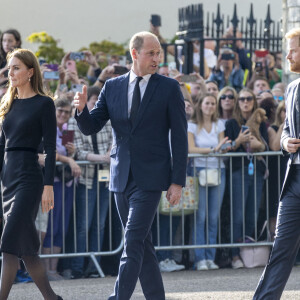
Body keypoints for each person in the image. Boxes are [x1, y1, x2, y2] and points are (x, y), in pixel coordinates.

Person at [74, 31, 187, 300]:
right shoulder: (112, 87)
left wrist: (177, 181)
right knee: (143, 246)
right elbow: (91, 126)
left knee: (133, 242)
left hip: (151, 178)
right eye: (151, 53)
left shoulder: (169, 88)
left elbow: (180, 137)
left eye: (159, 53)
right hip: (121, 177)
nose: (157, 58)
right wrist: (80, 111)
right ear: (135, 54)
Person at [0, 48, 62, 299]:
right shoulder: (7, 103)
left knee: (8, 245)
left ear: (30, 72)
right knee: (26, 251)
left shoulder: (44, 103)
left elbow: (50, 147)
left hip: (29, 178)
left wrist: (49, 186)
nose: (10, 72)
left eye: (16, 68)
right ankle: (52, 298)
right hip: (8, 178)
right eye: (9, 67)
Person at [253, 27, 300, 300]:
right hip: (293, 180)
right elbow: (286, 129)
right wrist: (284, 143)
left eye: (293, 50)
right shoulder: (292, 88)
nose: (288, 56)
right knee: (280, 250)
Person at [71, 86, 112, 279]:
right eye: (92, 100)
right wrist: (101, 158)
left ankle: (94, 267)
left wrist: (108, 156)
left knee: (100, 225)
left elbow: (114, 141)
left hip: (104, 178)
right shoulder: (76, 121)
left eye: (97, 101)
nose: (95, 103)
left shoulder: (108, 120)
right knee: (83, 225)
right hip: (86, 178)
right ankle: (78, 266)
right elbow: (77, 151)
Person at [225, 88, 268, 270]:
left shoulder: (261, 122)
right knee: (238, 215)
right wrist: (239, 141)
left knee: (252, 215)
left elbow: (266, 146)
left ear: (254, 101)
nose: (245, 102)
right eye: (241, 99)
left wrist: (259, 145)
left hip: (256, 171)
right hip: (238, 170)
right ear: (237, 102)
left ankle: (246, 253)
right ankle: (234, 255)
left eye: (249, 98)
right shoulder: (231, 123)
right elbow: (227, 147)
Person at [188, 93, 230, 271]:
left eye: (213, 103)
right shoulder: (192, 125)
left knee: (213, 217)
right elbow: (191, 148)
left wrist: (219, 150)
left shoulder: (219, 124)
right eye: (207, 103)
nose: (210, 106)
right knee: (201, 217)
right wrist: (213, 149)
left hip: (218, 170)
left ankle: (210, 257)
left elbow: (223, 147)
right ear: (201, 105)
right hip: (199, 171)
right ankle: (199, 258)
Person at [42, 99, 81, 281]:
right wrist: (70, 159)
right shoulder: (47, 127)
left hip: (66, 183)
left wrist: (71, 153)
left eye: (67, 112)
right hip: (52, 183)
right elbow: (50, 152)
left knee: (61, 227)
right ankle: (45, 270)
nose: (63, 115)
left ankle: (53, 269)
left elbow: (65, 153)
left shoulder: (66, 130)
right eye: (60, 111)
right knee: (50, 226)